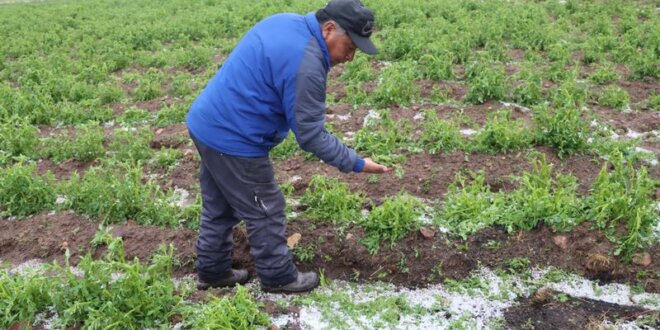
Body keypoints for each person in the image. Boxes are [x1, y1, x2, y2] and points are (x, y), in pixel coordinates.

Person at [186, 0, 388, 294]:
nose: (350, 57)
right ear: (329, 29)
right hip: (235, 137)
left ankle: (212, 271)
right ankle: (278, 277)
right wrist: (356, 163)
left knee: (221, 206)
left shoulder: (286, 22)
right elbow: (310, 135)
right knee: (266, 209)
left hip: (207, 122)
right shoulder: (307, 63)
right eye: (351, 47)